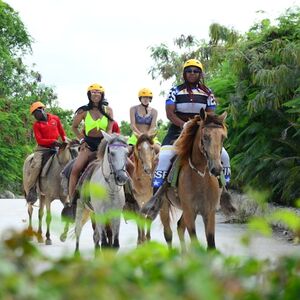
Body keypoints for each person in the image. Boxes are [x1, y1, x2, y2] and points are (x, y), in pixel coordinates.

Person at [150, 58, 231, 202]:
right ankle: (156, 198)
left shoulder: (208, 92)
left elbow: (210, 114)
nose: (192, 73)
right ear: (184, 73)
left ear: (200, 74)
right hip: (177, 130)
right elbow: (170, 113)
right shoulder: (175, 90)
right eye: (189, 71)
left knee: (224, 156)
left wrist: (201, 126)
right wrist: (183, 124)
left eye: (195, 71)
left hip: (202, 131)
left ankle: (225, 192)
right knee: (163, 157)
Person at [68, 83, 114, 207]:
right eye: (93, 92)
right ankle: (72, 201)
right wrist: (82, 140)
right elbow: (74, 127)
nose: (96, 94)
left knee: (126, 165)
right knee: (75, 169)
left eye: (98, 92)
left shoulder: (108, 110)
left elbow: (109, 129)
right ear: (89, 95)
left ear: (102, 95)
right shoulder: (83, 111)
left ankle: (129, 197)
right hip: (88, 144)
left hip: (103, 143)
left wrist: (107, 141)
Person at [26, 101, 67, 204]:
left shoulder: (55, 119)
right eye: (34, 114)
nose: (36, 116)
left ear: (42, 109)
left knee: (69, 159)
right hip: (42, 149)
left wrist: (65, 141)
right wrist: (52, 142)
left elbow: (61, 131)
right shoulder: (36, 125)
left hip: (57, 147)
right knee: (36, 166)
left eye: (36, 113)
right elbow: (40, 140)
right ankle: (31, 190)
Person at [128, 88, 160, 155]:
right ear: (140, 98)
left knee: (159, 150)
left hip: (149, 135)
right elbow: (132, 125)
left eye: (147, 97)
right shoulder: (133, 109)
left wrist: (147, 136)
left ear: (150, 99)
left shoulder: (154, 111)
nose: (145, 99)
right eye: (143, 97)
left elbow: (152, 126)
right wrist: (140, 135)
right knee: (127, 151)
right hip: (136, 135)